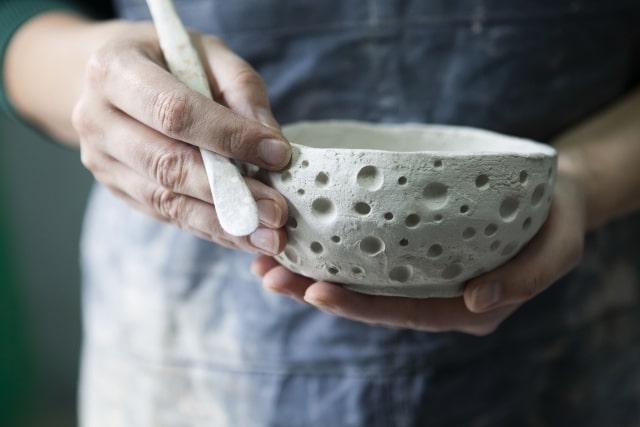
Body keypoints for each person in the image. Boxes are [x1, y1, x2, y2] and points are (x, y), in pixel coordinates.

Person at [2, 0, 640, 425]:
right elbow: (20, 25)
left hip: (564, 334)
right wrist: (96, 77)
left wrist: (587, 176)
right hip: (191, 349)